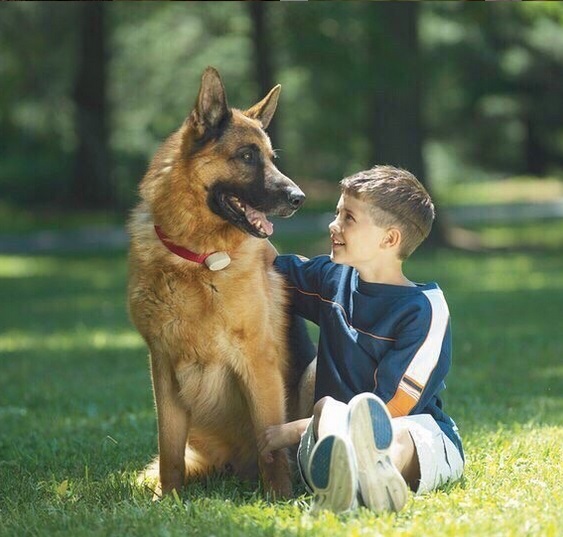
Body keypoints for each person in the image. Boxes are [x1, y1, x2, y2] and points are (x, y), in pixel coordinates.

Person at [258, 165, 464, 515]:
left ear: (389, 239)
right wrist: (248, 224)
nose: (333, 225)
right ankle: (356, 484)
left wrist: (287, 432)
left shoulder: (425, 309)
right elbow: (272, 266)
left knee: (392, 435)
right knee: (329, 408)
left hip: (413, 435)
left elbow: (396, 408)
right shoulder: (332, 279)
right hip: (328, 438)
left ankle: (362, 479)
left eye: (348, 218)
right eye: (337, 213)